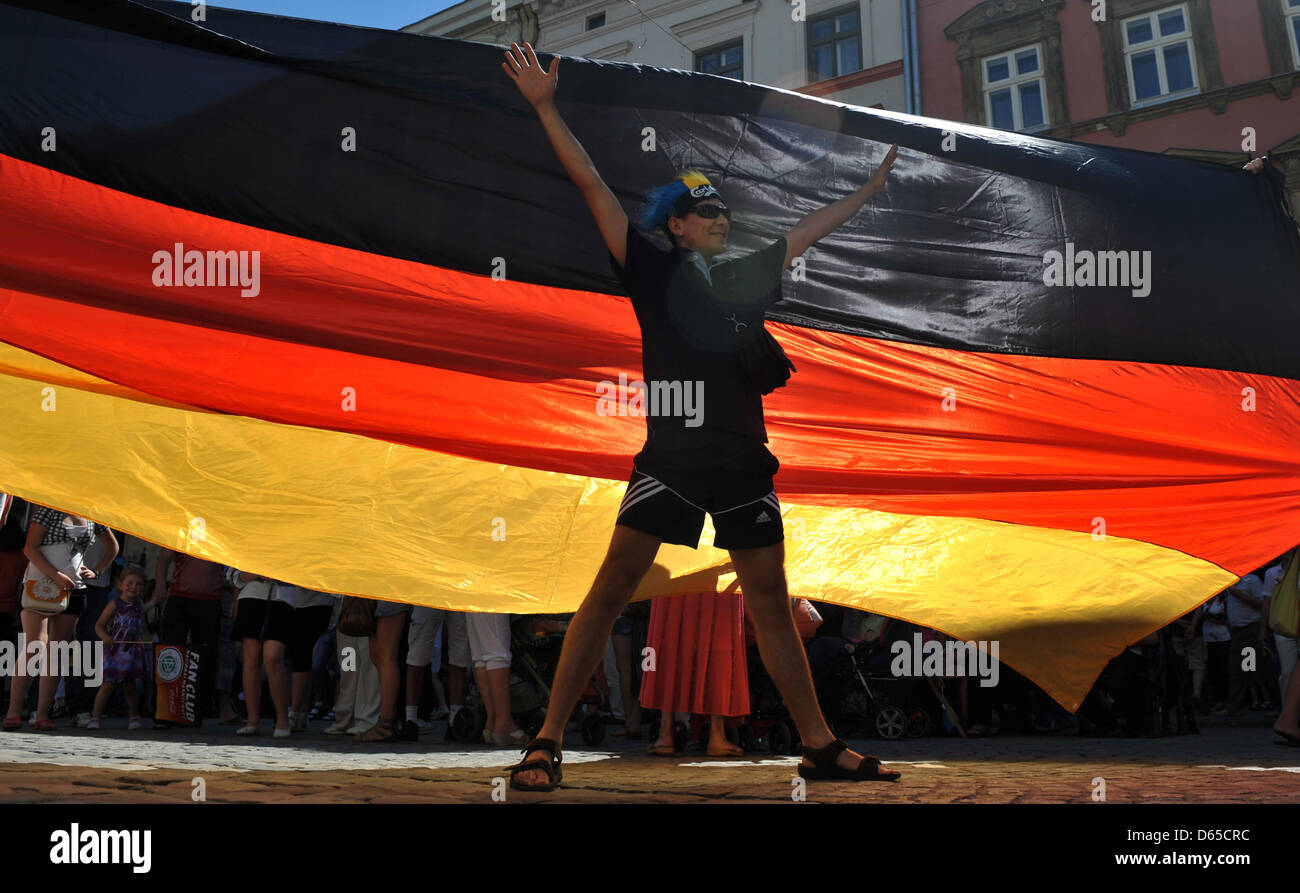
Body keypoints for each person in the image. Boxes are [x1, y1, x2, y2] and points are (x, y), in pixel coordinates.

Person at [501, 42, 900, 789]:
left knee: (772, 601)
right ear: (676, 225)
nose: (720, 217)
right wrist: (547, 107)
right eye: (704, 211)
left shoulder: (747, 277)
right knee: (613, 584)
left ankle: (818, 744)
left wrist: (870, 190)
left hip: (746, 458)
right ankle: (546, 741)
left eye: (722, 209)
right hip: (674, 458)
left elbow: (813, 227)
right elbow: (590, 184)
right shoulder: (648, 268)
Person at [4, 506, 118, 731]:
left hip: (73, 588)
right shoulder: (49, 510)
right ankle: (14, 712)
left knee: (57, 650)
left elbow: (112, 546)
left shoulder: (93, 514)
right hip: (41, 582)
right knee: (35, 645)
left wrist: (97, 571)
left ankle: (43, 714)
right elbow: (30, 548)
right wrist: (56, 576)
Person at [154, 549, 229, 727]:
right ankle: (165, 712)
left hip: (210, 600)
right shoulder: (185, 528)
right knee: (170, 652)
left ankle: (195, 711)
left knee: (206, 656)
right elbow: (163, 558)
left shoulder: (221, 531)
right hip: (180, 597)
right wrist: (159, 586)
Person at [229, 570, 293, 737]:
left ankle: (282, 720)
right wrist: (254, 573)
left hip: (282, 596)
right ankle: (252, 721)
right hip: (251, 596)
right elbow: (232, 573)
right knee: (251, 658)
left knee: (273, 657)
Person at [87, 565, 150, 730]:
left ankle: (133, 716)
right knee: (108, 684)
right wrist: (105, 637)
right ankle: (95, 717)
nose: (133, 587)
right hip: (114, 651)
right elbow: (99, 626)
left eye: (138, 584)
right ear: (120, 585)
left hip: (132, 651)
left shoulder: (138, 604)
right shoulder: (114, 604)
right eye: (129, 583)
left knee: (130, 686)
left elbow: (143, 613)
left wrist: (156, 600)